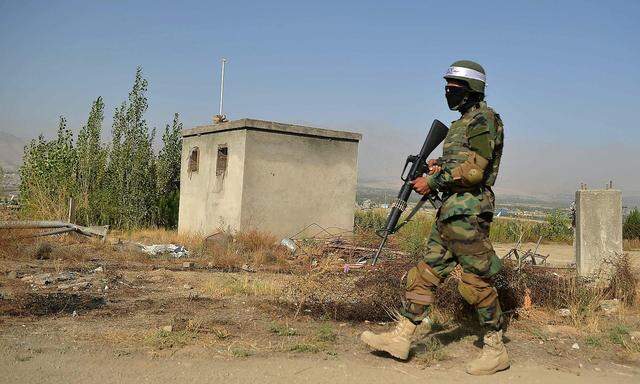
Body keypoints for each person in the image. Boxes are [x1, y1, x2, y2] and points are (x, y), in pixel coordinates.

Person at [360, 60, 508, 375]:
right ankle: (402, 339)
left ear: (473, 91)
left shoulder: (485, 120)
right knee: (424, 274)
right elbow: (459, 162)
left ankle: (496, 349)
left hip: (467, 211)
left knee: (475, 282)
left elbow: (474, 171)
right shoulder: (461, 123)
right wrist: (436, 166)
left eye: (455, 88)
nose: (448, 92)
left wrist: (434, 181)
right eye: (447, 87)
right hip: (451, 210)